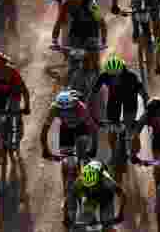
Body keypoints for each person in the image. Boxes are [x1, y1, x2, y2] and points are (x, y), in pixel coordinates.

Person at [40, 90, 99, 221]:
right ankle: (66, 193)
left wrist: (93, 148)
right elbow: (44, 130)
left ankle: (90, 198)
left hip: (81, 128)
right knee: (66, 164)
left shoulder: (80, 106)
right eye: (63, 111)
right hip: (66, 130)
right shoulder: (54, 108)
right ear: (58, 106)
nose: (66, 113)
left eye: (69, 109)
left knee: (85, 160)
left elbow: (93, 129)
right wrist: (45, 149)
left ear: (74, 105)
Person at [90, 54, 149, 165]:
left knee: (131, 130)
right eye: (112, 77)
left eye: (117, 76)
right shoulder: (104, 75)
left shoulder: (132, 77)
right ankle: (112, 153)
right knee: (111, 129)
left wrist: (148, 108)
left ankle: (133, 154)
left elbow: (143, 94)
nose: (114, 79)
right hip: (114, 102)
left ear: (122, 70)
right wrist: (90, 106)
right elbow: (94, 92)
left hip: (130, 102)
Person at [51, 0, 109, 73]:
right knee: (72, 58)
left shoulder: (91, 4)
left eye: (77, 1)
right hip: (76, 30)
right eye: (72, 1)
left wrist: (103, 41)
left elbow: (102, 23)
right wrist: (54, 40)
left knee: (93, 57)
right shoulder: (66, 5)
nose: (74, 4)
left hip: (92, 30)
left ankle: (97, 74)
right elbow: (58, 23)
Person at [70, 160, 125, 228]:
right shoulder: (79, 182)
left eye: (93, 186)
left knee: (107, 222)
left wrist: (120, 214)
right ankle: (92, 215)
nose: (91, 188)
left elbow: (123, 195)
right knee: (88, 211)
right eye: (89, 186)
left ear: (99, 180)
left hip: (105, 192)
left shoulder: (107, 181)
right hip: (90, 192)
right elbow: (71, 197)